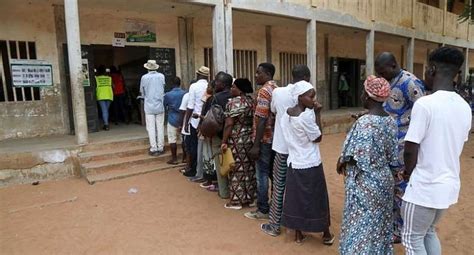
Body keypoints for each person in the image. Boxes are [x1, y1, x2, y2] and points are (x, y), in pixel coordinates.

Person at [402, 47, 471, 255]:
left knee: (411, 238)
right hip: (447, 186)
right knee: (429, 232)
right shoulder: (464, 107)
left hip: (424, 187)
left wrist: (408, 174)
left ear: (432, 69)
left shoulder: (425, 104)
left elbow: (410, 149)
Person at [338, 75, 398, 254]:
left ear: (367, 95)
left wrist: (343, 161)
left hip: (365, 182)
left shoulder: (365, 122)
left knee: (360, 225)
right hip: (384, 180)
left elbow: (358, 157)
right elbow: (392, 156)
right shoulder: (390, 121)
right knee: (379, 223)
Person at [375, 52, 426, 242]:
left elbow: (423, 113)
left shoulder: (410, 83)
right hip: (390, 145)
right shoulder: (388, 82)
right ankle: (393, 225)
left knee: (403, 189)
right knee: (392, 188)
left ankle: (402, 230)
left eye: (382, 71)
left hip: (405, 147)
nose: (380, 76)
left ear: (393, 65)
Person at [280, 80, 334, 245]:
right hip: (310, 162)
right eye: (311, 97)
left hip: (294, 162)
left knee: (296, 198)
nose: (314, 100)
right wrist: (318, 113)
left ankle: (298, 234)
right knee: (318, 198)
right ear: (300, 97)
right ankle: (325, 233)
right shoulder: (305, 118)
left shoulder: (286, 115)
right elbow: (318, 137)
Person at [261, 65, 309, 237]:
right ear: (306, 77)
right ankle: (298, 225)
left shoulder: (279, 92)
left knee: (279, 185)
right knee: (299, 187)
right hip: (302, 151)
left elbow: (273, 111)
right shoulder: (308, 94)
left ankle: (275, 224)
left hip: (282, 147)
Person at [246, 63, 277, 220]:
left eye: (259, 73)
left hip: (264, 139)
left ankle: (263, 209)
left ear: (267, 74)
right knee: (272, 173)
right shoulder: (275, 88)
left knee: (262, 174)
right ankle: (276, 206)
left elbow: (262, 119)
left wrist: (256, 144)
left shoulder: (264, 91)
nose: (256, 75)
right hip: (273, 138)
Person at [221, 78, 256, 210]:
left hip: (236, 139)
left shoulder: (232, 103)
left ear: (240, 89)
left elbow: (229, 124)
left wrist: (224, 141)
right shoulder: (251, 101)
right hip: (249, 138)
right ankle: (250, 198)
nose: (231, 89)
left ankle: (236, 201)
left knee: (236, 169)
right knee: (249, 168)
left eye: (233, 87)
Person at [208, 72, 233, 197]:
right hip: (235, 135)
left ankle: (224, 192)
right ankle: (235, 190)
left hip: (220, 135)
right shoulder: (236, 96)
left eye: (217, 81)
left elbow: (212, 118)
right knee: (233, 163)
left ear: (223, 84)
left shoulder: (216, 98)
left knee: (221, 164)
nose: (214, 83)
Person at [183, 66, 210, 177]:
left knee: (194, 147)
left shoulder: (194, 86)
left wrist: (186, 123)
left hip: (195, 120)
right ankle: (205, 171)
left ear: (198, 75)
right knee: (206, 148)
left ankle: (194, 170)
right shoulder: (210, 85)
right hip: (207, 120)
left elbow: (190, 106)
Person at [140, 60, 166, 156]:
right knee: (160, 127)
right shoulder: (161, 76)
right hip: (160, 105)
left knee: (151, 128)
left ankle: (153, 148)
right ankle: (161, 147)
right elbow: (163, 88)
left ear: (147, 68)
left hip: (149, 106)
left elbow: (142, 92)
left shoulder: (144, 78)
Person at [164, 76, 186, 165]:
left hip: (172, 118)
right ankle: (184, 158)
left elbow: (165, 105)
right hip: (183, 118)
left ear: (172, 84)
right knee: (183, 139)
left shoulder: (168, 95)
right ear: (180, 83)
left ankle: (174, 159)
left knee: (172, 139)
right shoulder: (184, 93)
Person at [95, 65, 113, 131]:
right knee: (106, 110)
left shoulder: (96, 78)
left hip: (101, 95)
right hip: (109, 95)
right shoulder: (109, 78)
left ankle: (106, 125)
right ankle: (106, 123)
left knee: (104, 110)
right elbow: (113, 86)